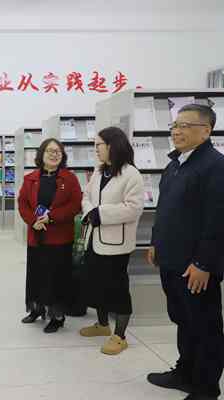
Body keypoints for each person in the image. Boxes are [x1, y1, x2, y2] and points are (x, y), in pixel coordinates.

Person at [146, 104, 224, 400]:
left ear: (206, 131)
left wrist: (204, 263)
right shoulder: (176, 163)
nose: (176, 131)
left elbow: (217, 221)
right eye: (175, 126)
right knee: (183, 319)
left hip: (196, 266)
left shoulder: (215, 167)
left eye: (185, 126)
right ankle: (185, 373)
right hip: (172, 259)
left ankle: (206, 387)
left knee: (204, 326)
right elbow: (165, 208)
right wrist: (156, 241)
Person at [79, 126, 144, 355]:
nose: (96, 149)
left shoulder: (131, 174)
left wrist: (100, 213)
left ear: (112, 145)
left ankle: (120, 336)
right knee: (96, 284)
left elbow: (133, 208)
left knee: (118, 289)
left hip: (116, 244)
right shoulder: (99, 172)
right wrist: (90, 211)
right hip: (94, 239)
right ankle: (102, 325)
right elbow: (86, 196)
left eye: (99, 145)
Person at [18, 138, 82, 333]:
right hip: (36, 236)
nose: (54, 154)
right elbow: (22, 203)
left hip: (59, 238)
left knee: (56, 278)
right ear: (41, 154)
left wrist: (51, 217)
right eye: (49, 151)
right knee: (36, 275)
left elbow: (75, 205)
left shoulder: (69, 178)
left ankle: (57, 316)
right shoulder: (30, 178)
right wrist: (33, 221)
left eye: (57, 151)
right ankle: (36, 309)